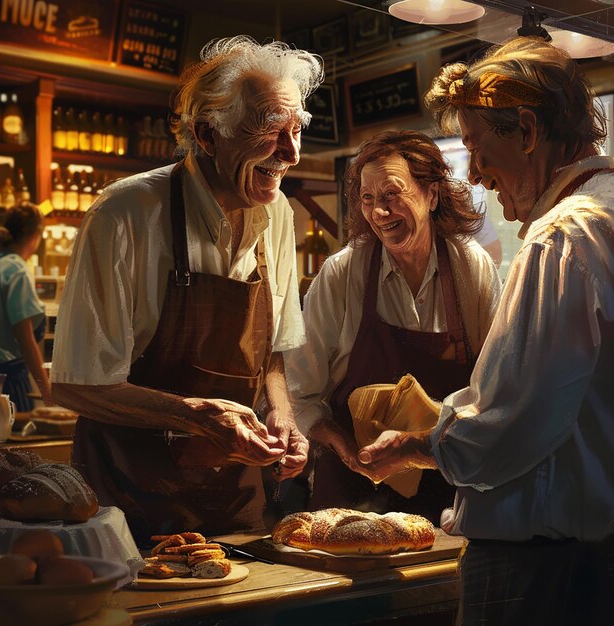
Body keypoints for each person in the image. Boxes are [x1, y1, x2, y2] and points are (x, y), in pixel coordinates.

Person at [358, 36, 614, 624]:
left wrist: (422, 446)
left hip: (541, 569)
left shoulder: (564, 238)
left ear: (526, 132)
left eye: (477, 148)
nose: (476, 174)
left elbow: (513, 420)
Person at [51, 36, 323, 543]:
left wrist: (283, 415)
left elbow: (273, 359)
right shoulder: (125, 214)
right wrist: (195, 414)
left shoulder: (279, 214)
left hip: (237, 503)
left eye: (295, 130)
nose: (290, 153)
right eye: (268, 129)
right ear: (206, 133)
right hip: (130, 504)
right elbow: (76, 383)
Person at [285, 130, 501, 524]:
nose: (379, 212)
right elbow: (301, 391)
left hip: (446, 495)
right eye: (368, 199)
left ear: (431, 195)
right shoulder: (343, 273)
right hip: (351, 491)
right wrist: (343, 447)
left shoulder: (471, 268)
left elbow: (496, 390)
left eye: (391, 195)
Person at [0, 202, 52, 411]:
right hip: (8, 384)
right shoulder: (17, 271)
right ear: (36, 236)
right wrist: (46, 390)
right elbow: (25, 339)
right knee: (15, 441)